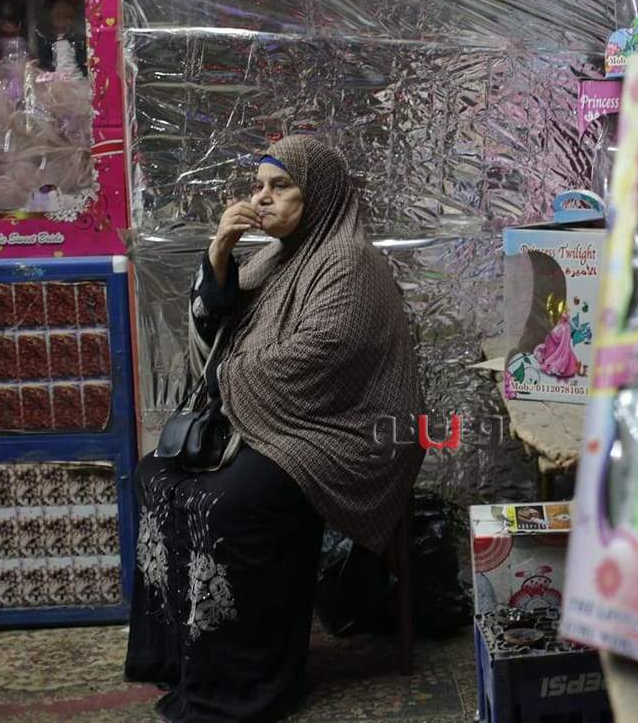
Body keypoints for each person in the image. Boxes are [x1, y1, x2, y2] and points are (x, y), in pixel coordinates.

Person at [125, 136, 424, 721]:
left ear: (320, 195)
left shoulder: (349, 261)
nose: (262, 198)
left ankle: (249, 680)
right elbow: (216, 326)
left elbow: (324, 354)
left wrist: (228, 380)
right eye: (259, 186)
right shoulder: (274, 257)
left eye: (280, 186)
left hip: (339, 430)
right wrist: (220, 250)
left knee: (228, 501)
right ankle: (184, 659)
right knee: (156, 476)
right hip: (277, 417)